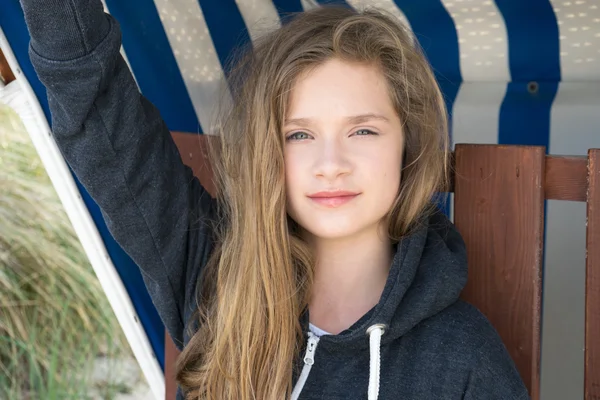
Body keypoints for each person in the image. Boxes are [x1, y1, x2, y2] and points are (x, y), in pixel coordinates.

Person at [19, 0, 529, 399]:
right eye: (299, 135)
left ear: (407, 147)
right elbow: (94, 103)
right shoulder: (215, 279)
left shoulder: (461, 355)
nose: (331, 163)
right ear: (267, 152)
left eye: (364, 131)